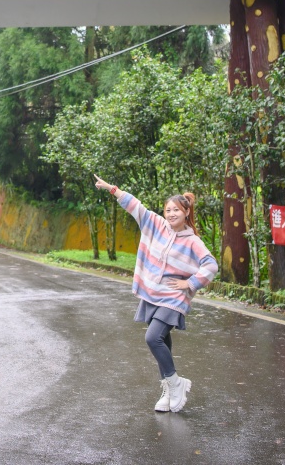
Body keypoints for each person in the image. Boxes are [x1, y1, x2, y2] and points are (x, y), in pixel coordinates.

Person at [94, 174, 218, 413]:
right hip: (152, 293)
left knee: (152, 338)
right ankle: (169, 389)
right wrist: (113, 189)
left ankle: (176, 383)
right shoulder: (154, 224)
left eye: (176, 210)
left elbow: (210, 265)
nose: (171, 214)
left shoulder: (193, 241)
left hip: (173, 297)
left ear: (186, 213)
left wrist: (191, 283)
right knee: (163, 342)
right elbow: (135, 206)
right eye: (168, 210)